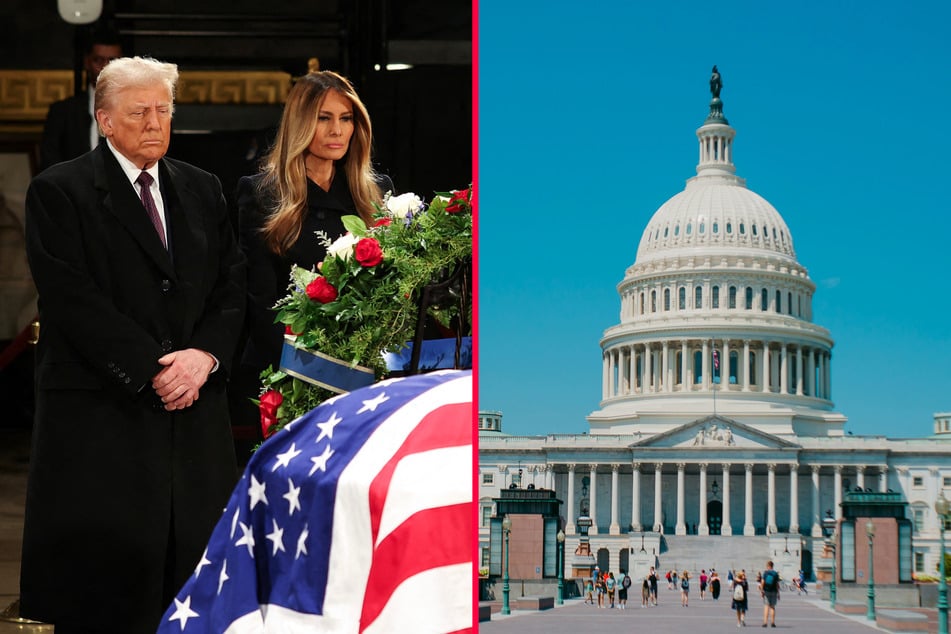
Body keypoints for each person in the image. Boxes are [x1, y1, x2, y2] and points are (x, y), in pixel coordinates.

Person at [20, 56, 246, 633]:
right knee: (107, 598)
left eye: (163, 110)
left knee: (192, 590)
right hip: (105, 420)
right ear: (106, 121)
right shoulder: (59, 191)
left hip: (193, 417)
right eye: (139, 111)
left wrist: (203, 358)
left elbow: (231, 287)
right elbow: (72, 299)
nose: (154, 123)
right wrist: (155, 369)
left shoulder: (203, 188)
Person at [233, 70, 392, 431]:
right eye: (324, 118)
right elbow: (259, 301)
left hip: (362, 369)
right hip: (284, 370)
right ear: (301, 123)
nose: (337, 130)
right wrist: (307, 374)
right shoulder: (262, 193)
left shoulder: (377, 191)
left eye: (346, 118)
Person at [40, 27, 123, 172]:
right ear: (87, 62)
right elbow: (50, 167)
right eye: (98, 60)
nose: (105, 68)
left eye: (113, 61)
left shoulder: (139, 111)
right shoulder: (62, 112)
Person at [760, 560, 780, 627]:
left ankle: (765, 622)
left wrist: (762, 591)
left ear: (768, 566)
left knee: (766, 606)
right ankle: (773, 623)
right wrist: (778, 593)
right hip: (774, 591)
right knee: (772, 607)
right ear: (772, 566)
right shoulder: (775, 573)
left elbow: (762, 582)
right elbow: (777, 584)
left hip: (766, 591)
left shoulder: (765, 573)